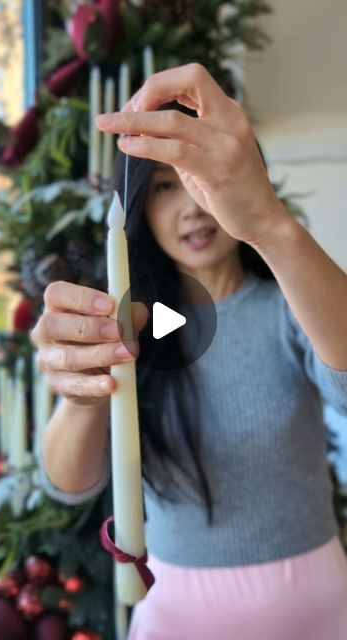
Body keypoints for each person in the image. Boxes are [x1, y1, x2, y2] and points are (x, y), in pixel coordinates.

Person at [31, 64, 347, 640]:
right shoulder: (139, 326)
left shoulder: (286, 307)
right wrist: (81, 397)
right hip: (180, 611)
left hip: (317, 606)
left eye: (200, 176)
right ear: (141, 211)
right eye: (164, 186)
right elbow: (67, 483)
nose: (193, 207)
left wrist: (270, 223)